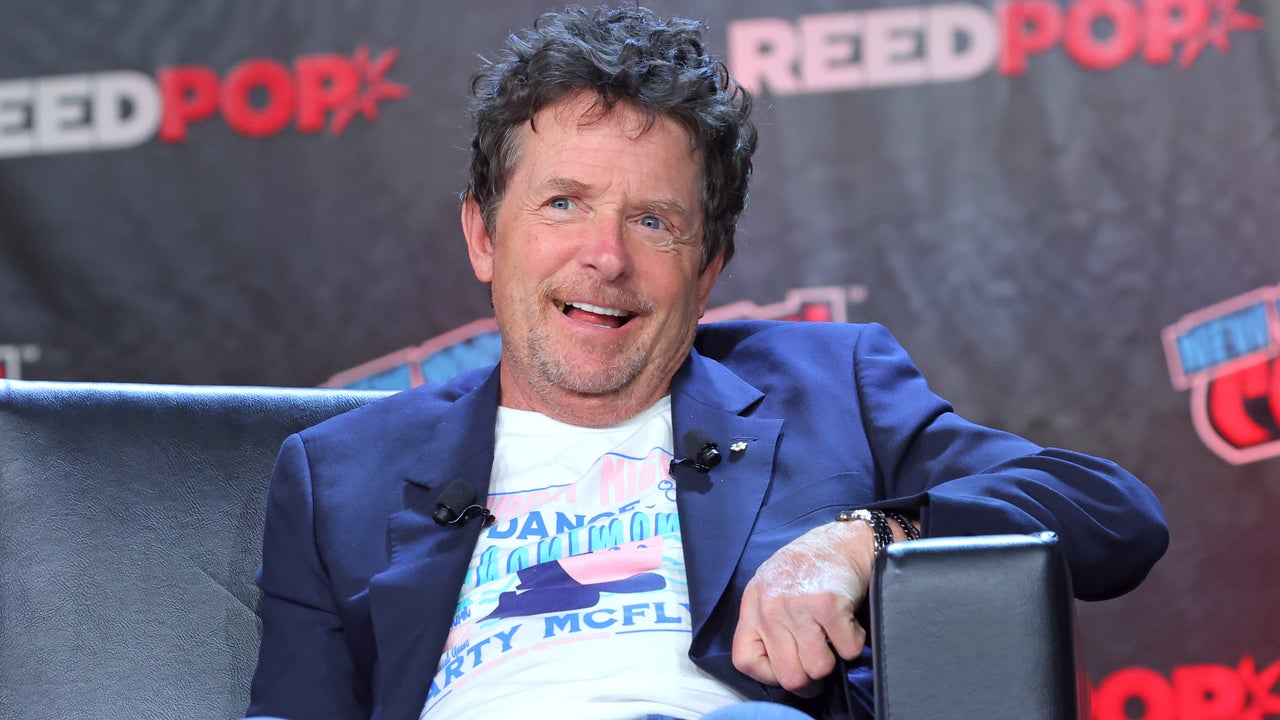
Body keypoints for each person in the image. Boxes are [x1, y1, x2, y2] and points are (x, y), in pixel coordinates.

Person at [245, 5, 1168, 720]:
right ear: (484, 237)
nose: (605, 257)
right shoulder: (338, 477)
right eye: (564, 203)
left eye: (654, 221)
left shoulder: (830, 387)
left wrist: (858, 541)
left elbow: (1109, 513)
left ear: (709, 268)